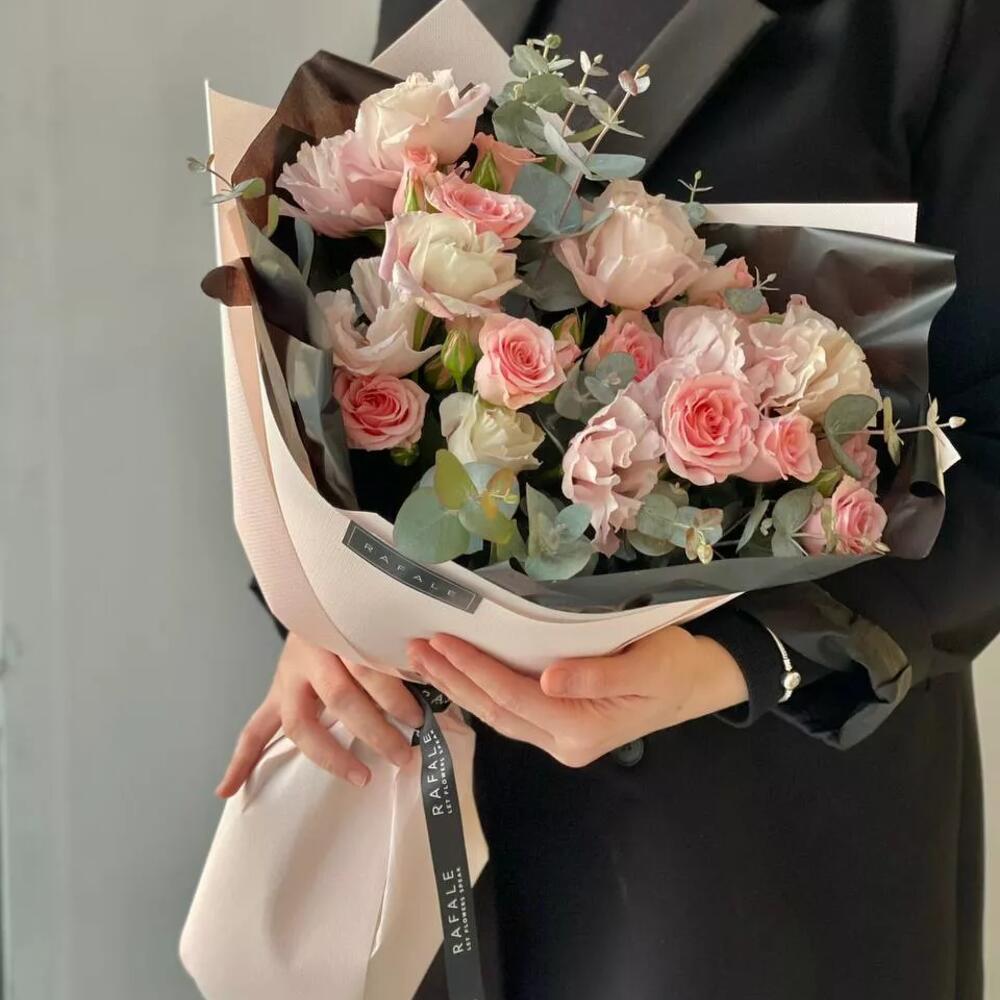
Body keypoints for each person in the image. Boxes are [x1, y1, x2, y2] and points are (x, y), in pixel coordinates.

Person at [216, 1, 1000, 997]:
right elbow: (355, 276)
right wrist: (325, 604)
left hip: (760, 842)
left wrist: (737, 661)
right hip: (450, 796)